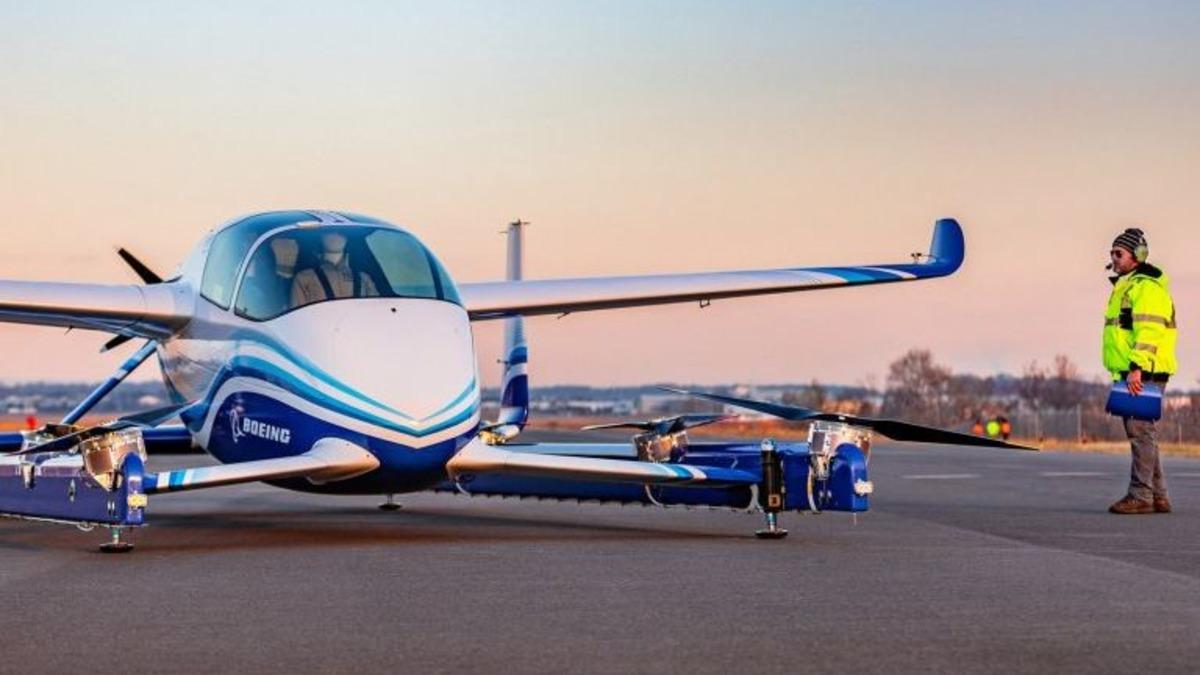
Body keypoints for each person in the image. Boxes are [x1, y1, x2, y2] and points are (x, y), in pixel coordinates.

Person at [1102, 228, 1177, 514]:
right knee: (1144, 432)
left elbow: (1150, 331)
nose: (1113, 258)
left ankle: (1140, 495)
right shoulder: (1129, 285)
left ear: (1137, 255)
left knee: (1141, 433)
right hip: (1135, 369)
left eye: (1118, 253)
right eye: (1112, 253)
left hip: (1143, 370)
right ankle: (1158, 495)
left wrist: (1137, 367)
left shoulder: (1146, 287)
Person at [290, 232, 379, 308]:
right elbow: (297, 318)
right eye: (330, 231)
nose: (336, 235)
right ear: (321, 236)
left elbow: (376, 311)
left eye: (341, 231)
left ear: (347, 237)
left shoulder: (364, 278)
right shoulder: (304, 278)